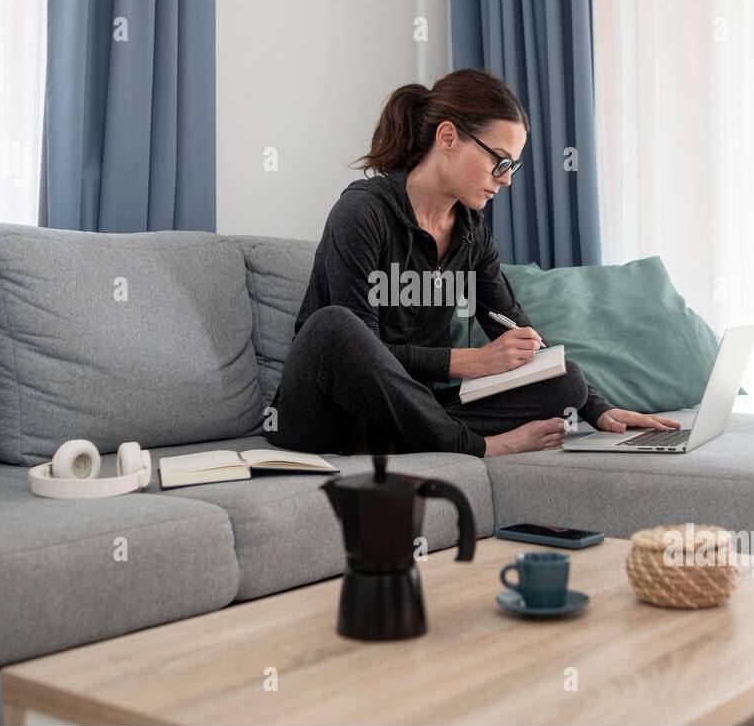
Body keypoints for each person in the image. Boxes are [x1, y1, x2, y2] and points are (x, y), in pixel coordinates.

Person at [264, 68, 680, 457]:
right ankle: (481, 445)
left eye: (513, 165)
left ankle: (419, 435)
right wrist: (472, 362)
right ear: (447, 137)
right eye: (499, 161)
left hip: (407, 410)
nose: (507, 179)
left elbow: (518, 327)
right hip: (324, 413)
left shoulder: (471, 234)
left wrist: (599, 409)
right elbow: (362, 352)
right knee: (334, 326)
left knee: (564, 379)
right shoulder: (362, 213)